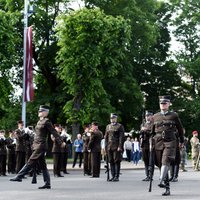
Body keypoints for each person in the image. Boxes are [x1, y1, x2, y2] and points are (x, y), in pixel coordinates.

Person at [10, 105, 65, 189]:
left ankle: (19, 176)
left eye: (41, 111)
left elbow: (54, 132)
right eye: (39, 111)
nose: (39, 112)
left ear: (46, 113)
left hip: (41, 145)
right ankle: (47, 183)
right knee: (43, 165)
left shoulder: (47, 122)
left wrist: (61, 142)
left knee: (31, 160)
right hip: (36, 145)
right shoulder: (39, 122)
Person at [152, 95, 184, 196]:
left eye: (165, 103)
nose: (163, 105)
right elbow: (152, 132)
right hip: (158, 142)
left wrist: (181, 141)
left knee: (165, 160)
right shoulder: (155, 116)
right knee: (160, 164)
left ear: (169, 104)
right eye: (161, 103)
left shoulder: (174, 115)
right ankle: (167, 188)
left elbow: (180, 129)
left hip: (170, 141)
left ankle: (161, 180)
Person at [105, 113, 125, 182]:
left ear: (116, 118)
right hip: (109, 146)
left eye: (113, 118)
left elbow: (121, 137)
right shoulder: (108, 126)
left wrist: (120, 146)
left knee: (116, 161)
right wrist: (105, 147)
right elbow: (106, 137)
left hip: (116, 146)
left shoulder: (119, 126)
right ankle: (112, 175)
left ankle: (117, 176)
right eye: (111, 118)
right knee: (111, 161)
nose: (112, 119)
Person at [140, 110, 154, 181]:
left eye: (148, 116)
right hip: (144, 144)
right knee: (145, 160)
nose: (147, 117)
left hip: (150, 144)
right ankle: (147, 175)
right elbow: (141, 134)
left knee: (150, 161)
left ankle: (151, 175)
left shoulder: (153, 124)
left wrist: (146, 130)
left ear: (151, 116)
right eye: (146, 116)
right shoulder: (143, 124)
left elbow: (153, 133)